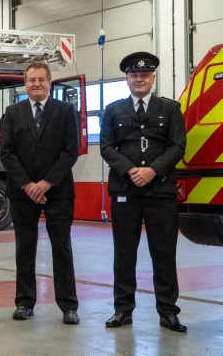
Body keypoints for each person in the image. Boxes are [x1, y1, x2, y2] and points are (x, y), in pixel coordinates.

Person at [100, 52, 187, 332]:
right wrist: (129, 170)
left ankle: (168, 312)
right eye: (134, 75)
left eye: (144, 75)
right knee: (124, 254)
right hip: (125, 190)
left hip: (160, 190)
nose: (139, 79)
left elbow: (177, 146)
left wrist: (153, 170)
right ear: (127, 79)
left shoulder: (170, 109)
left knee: (164, 253)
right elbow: (106, 147)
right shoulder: (113, 110)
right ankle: (123, 310)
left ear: (152, 78)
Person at [0, 61, 81, 325]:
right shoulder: (12, 112)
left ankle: (68, 306)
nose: (36, 84)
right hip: (22, 193)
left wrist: (46, 183)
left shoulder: (66, 111)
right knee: (25, 248)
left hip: (58, 192)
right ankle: (24, 303)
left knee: (62, 248)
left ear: (49, 82)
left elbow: (71, 150)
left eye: (41, 79)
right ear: (25, 83)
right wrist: (27, 185)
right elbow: (7, 152)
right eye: (31, 80)